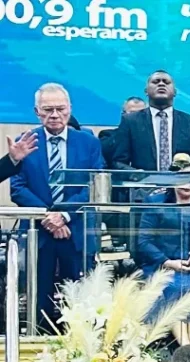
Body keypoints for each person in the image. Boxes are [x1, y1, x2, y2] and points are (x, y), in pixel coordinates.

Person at [10, 83, 105, 328]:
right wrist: (49, 217)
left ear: (69, 109)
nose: (54, 115)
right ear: (37, 112)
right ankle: (38, 341)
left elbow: (95, 186)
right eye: (48, 109)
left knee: (80, 298)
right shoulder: (25, 142)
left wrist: (63, 215)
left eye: (60, 109)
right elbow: (17, 189)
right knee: (38, 297)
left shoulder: (88, 142)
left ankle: (81, 344)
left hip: (76, 230)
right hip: (38, 233)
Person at [136, 154, 190, 346]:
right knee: (173, 288)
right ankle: (189, 348)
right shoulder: (155, 202)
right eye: (183, 178)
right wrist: (168, 262)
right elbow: (143, 242)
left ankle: (189, 350)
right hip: (164, 268)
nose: (188, 185)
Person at [111, 71, 190, 171]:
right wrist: (137, 174)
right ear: (146, 91)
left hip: (182, 181)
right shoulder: (130, 121)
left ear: (175, 92)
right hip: (143, 180)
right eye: (156, 82)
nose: (161, 84)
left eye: (166, 82)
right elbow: (118, 162)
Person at [97, 97, 145, 167]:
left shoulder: (153, 138)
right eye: (133, 113)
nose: (137, 117)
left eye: (140, 113)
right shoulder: (107, 135)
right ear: (123, 114)